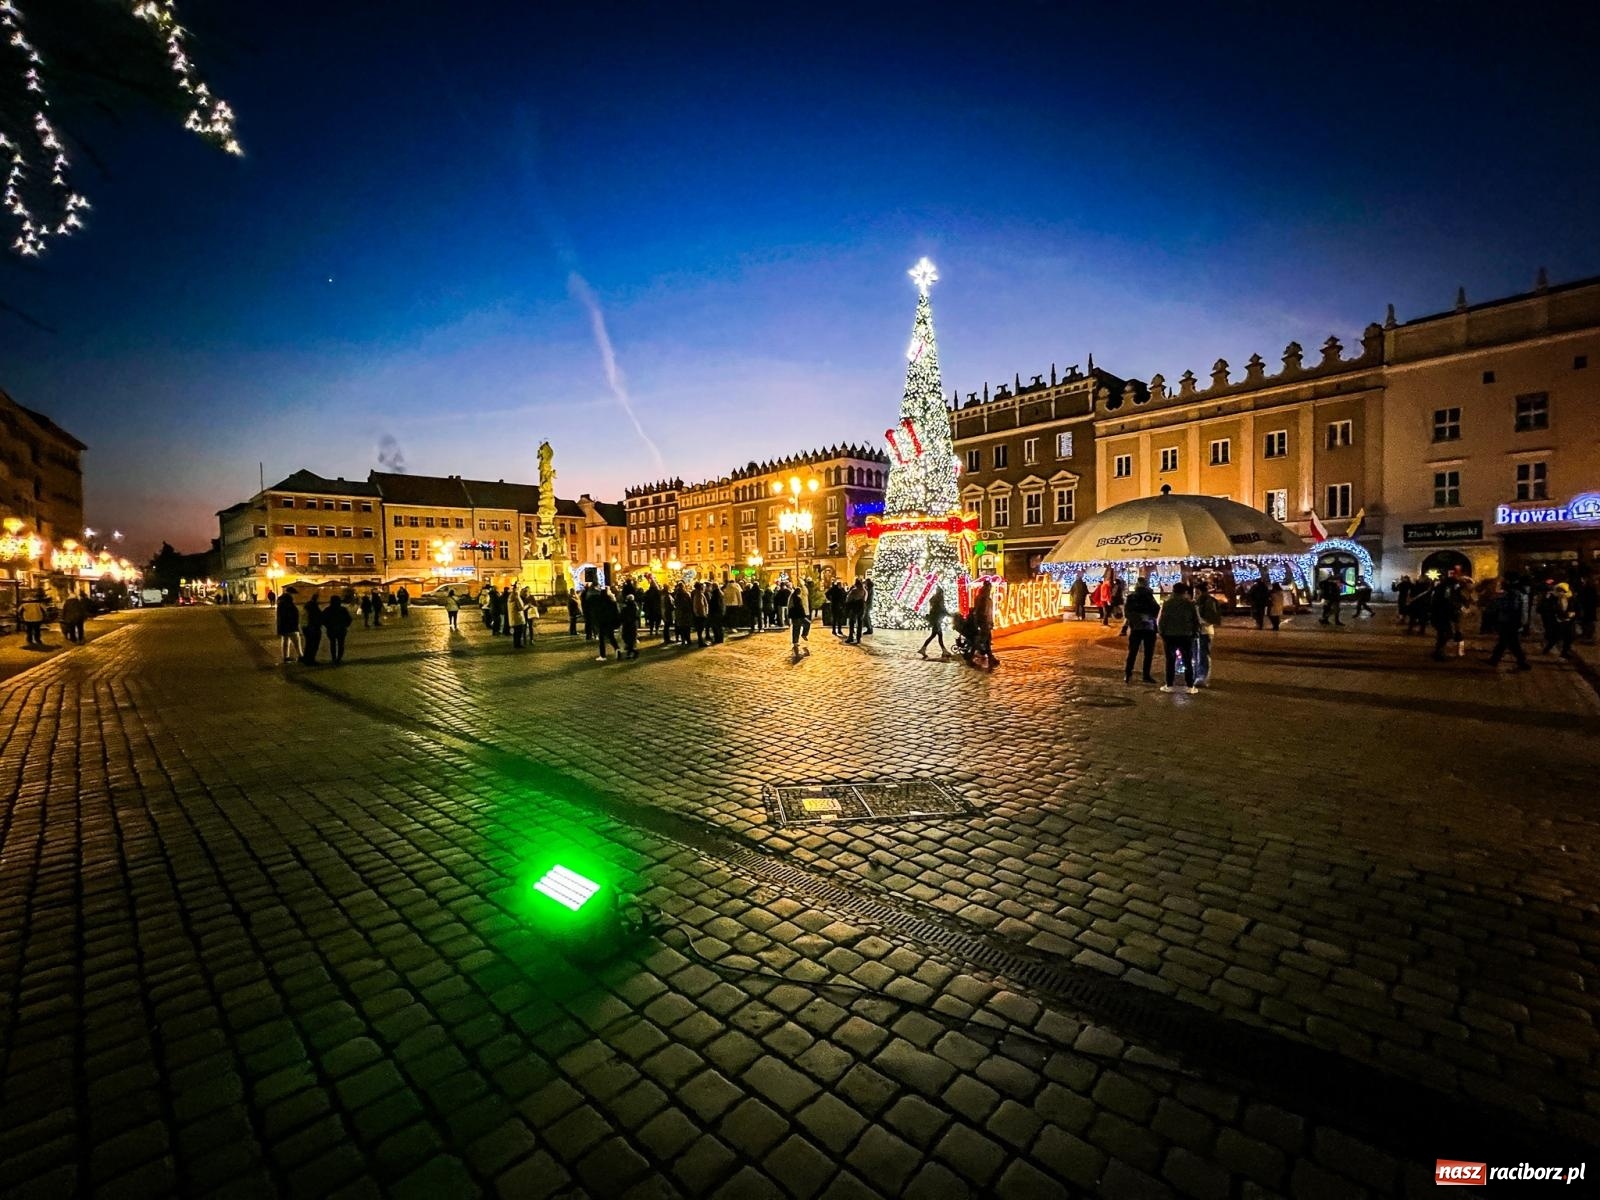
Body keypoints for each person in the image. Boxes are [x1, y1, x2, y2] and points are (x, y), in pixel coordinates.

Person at [1156, 582, 1201, 693]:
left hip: (1169, 635)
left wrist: (1162, 632)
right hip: (1186, 635)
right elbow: (1196, 620)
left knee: (1170, 661)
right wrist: (1195, 632)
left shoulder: (1167, 603)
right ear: (1184, 592)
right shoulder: (1190, 604)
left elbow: (1162, 620)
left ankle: (1169, 684)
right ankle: (1190, 685)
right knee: (1187, 660)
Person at [1487, 577, 1531, 670]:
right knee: (1504, 642)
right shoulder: (1520, 593)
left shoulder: (1513, 594)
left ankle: (1522, 661)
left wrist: (1497, 603)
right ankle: (1494, 660)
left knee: (1512, 643)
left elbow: (1511, 608)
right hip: (1513, 622)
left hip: (1510, 622)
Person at [1123, 577, 1159, 683]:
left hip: (1136, 627)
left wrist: (1134, 620)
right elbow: (1156, 609)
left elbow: (1127, 612)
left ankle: (1128, 673)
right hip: (1149, 627)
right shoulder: (1149, 597)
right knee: (1148, 653)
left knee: (1133, 652)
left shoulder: (1132, 597)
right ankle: (1146, 675)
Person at [1194, 579, 1223, 686]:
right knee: (1198, 654)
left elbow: (1213, 618)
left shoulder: (1208, 601)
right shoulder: (1199, 602)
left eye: (1196, 592)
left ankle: (1203, 677)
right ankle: (1198, 675)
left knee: (1203, 654)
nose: (1195, 595)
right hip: (1199, 631)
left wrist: (1202, 622)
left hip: (1205, 631)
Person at [964, 580, 996, 666]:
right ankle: (972, 657)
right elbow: (977, 610)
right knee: (981, 640)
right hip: (982, 622)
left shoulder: (988, 599)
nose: (989, 590)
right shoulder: (981, 598)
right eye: (988, 588)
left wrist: (991, 621)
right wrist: (977, 621)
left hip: (987, 622)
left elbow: (990, 612)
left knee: (987, 640)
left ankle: (990, 657)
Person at [1429, 576, 1462, 660]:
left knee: (1442, 633)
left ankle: (1438, 651)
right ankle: (1439, 653)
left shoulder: (1440, 587)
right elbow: (1447, 601)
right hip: (1441, 614)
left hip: (1437, 614)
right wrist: (1453, 611)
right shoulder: (1447, 589)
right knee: (1447, 633)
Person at [1539, 582, 1575, 657]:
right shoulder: (1552, 598)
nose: (1561, 592)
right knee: (1556, 638)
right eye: (1559, 590)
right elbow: (1547, 608)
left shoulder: (1569, 598)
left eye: (1562, 590)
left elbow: (1574, 608)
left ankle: (1564, 652)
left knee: (1569, 637)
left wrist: (1572, 614)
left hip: (1568, 621)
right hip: (1557, 621)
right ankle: (1546, 649)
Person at [920, 586, 949, 658]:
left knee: (936, 635)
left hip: (935, 620)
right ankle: (943, 651)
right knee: (937, 636)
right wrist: (949, 614)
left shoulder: (934, 599)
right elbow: (942, 609)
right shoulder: (939, 599)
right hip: (937, 621)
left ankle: (943, 650)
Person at [593, 586, 621, 660]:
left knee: (601, 639)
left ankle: (603, 655)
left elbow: (597, 613)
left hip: (602, 623)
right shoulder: (612, 602)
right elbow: (616, 612)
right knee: (611, 637)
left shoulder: (599, 603)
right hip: (610, 622)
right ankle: (617, 649)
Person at [323, 595, 352, 665]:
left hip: (331, 629)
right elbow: (349, 619)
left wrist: (328, 626)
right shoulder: (343, 609)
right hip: (341, 629)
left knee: (333, 644)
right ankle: (339, 659)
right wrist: (345, 625)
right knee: (341, 644)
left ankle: (334, 658)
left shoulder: (328, 610)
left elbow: (323, 619)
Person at [276, 589, 301, 662]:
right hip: (290, 626)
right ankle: (300, 655)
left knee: (286, 641)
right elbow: (292, 614)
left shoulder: (281, 601)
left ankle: (286, 657)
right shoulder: (288, 602)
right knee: (296, 641)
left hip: (284, 626)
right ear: (290, 594)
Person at [300, 593, 324, 665]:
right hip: (312, 628)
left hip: (306, 627)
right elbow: (317, 616)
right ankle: (310, 660)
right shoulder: (313, 606)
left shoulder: (308, 605)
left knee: (309, 644)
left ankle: (307, 659)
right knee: (313, 645)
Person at [788, 586, 811, 656]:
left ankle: (797, 640)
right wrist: (804, 614)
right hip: (798, 616)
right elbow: (800, 608)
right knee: (798, 628)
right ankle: (798, 639)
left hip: (796, 616)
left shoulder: (793, 598)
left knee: (796, 628)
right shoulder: (797, 598)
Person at [845, 579, 866, 644]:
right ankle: (858, 638)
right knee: (860, 622)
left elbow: (848, 598)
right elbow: (865, 599)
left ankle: (851, 637)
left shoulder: (854, 591)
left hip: (854, 607)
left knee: (852, 622)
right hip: (862, 606)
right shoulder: (864, 591)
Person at [620, 591, 640, 659]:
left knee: (626, 637)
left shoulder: (626, 606)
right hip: (632, 624)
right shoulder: (635, 606)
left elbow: (622, 615)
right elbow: (637, 616)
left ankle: (632, 652)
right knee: (630, 639)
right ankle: (630, 652)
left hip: (627, 624)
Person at [691, 581, 710, 647]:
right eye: (703, 586)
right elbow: (700, 605)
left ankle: (701, 641)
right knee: (700, 629)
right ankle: (701, 642)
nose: (704, 588)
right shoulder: (699, 594)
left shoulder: (697, 593)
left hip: (699, 614)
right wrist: (703, 614)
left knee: (700, 629)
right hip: (700, 614)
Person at [708, 578, 725, 644]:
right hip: (720, 612)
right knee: (719, 626)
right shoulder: (720, 593)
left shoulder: (715, 594)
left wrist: (711, 611)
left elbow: (715, 604)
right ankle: (720, 639)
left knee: (716, 627)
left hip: (716, 613)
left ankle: (718, 639)